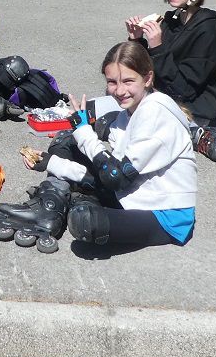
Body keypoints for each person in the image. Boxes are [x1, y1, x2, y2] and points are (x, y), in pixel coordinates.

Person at [25, 41, 196, 249]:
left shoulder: (156, 112)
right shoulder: (127, 115)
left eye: (128, 81)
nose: (120, 90)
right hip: (135, 193)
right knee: (66, 141)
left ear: (148, 78)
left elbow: (114, 177)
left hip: (167, 214)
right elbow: (108, 169)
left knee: (85, 221)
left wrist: (84, 131)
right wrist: (51, 163)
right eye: (112, 82)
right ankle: (51, 203)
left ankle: (66, 203)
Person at [125, 0, 216, 162]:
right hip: (165, 100)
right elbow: (148, 71)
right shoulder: (172, 20)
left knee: (122, 126)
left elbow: (183, 89)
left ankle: (199, 134)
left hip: (195, 109)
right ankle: (189, 134)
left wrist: (157, 47)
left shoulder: (208, 30)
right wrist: (137, 40)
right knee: (108, 106)